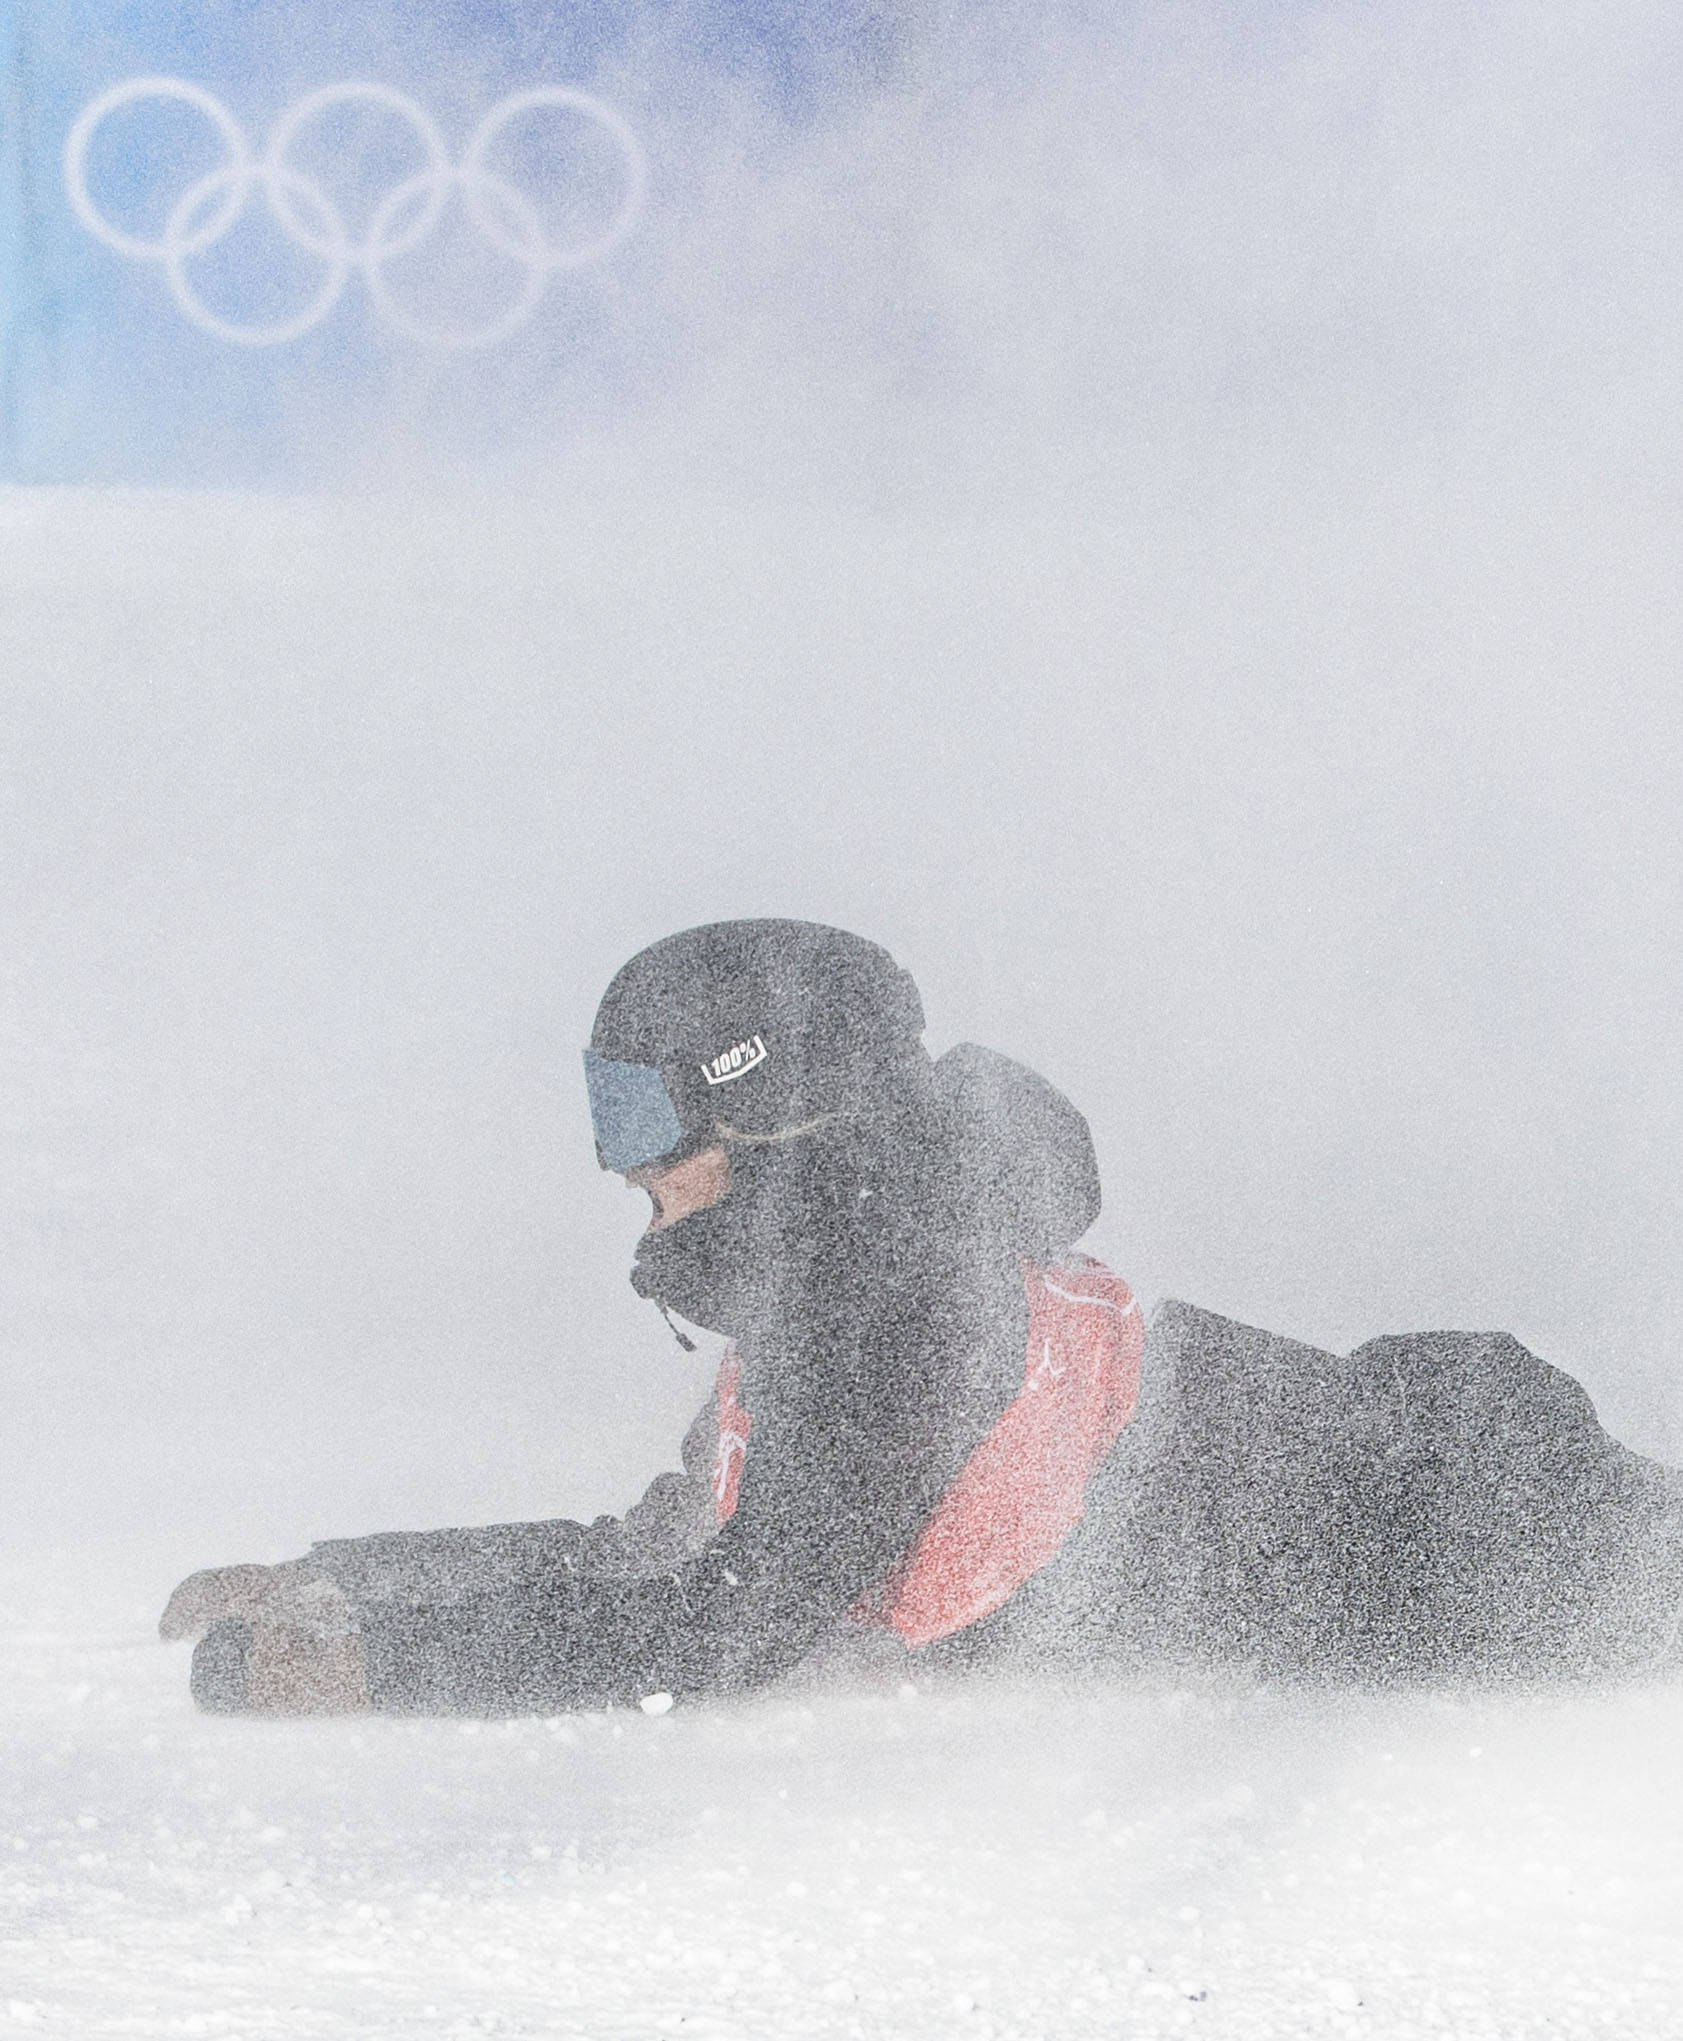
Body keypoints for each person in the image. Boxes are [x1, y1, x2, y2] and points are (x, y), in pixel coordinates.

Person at [162, 919, 1683, 1715]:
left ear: (771, 1116)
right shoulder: (839, 1286)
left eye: (644, 1109)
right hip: (1400, 1449)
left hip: (1460, 1533)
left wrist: (373, 1668)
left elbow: (719, 1622)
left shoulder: (894, 1312)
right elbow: (664, 1538)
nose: (622, 1161)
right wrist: (339, 1579)